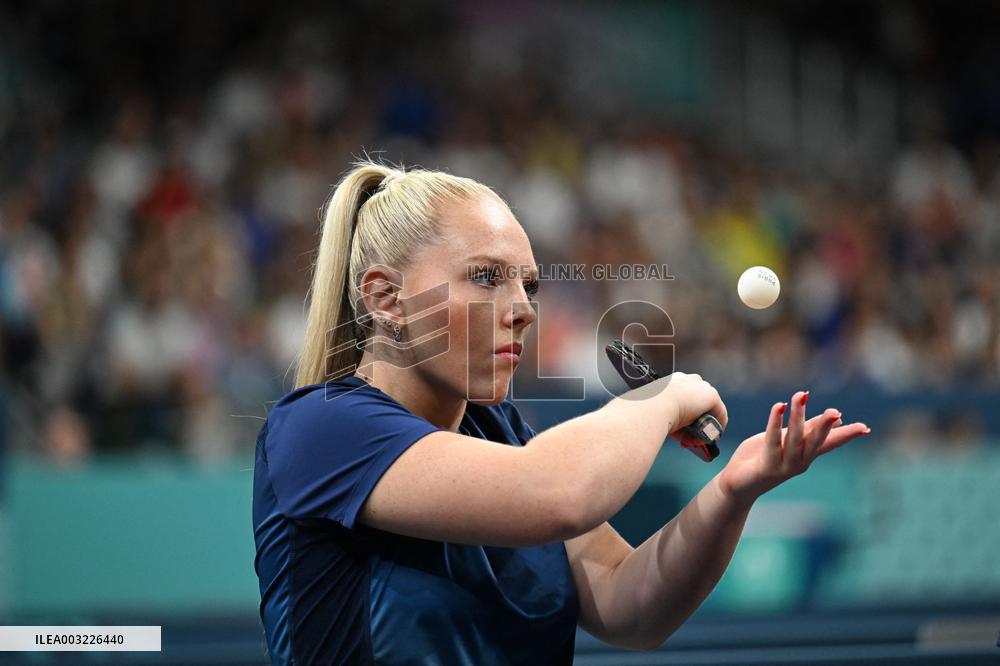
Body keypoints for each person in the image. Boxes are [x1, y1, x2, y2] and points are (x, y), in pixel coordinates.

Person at [251, 160, 870, 665]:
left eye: (529, 286)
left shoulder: (505, 437)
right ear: (386, 297)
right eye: (487, 278)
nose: (522, 308)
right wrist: (662, 397)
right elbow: (557, 495)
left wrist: (733, 491)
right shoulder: (321, 426)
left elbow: (630, 607)